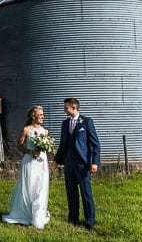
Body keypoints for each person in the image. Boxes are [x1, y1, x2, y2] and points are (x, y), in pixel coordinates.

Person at [54, 98, 100, 231]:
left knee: (86, 193)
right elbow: (63, 144)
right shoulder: (64, 123)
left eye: (66, 107)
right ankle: (73, 219)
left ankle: (90, 221)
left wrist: (94, 162)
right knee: (71, 192)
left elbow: (95, 143)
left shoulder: (86, 122)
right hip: (68, 164)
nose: (64, 109)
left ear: (73, 107)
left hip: (82, 164)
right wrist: (57, 160)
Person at [2, 105, 51, 229]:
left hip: (42, 162)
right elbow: (19, 146)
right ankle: (25, 214)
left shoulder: (45, 131)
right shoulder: (26, 130)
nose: (43, 117)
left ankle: (38, 215)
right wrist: (30, 152)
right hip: (30, 162)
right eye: (40, 115)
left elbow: (47, 146)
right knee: (29, 186)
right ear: (33, 116)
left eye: (43, 115)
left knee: (41, 187)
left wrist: (47, 147)